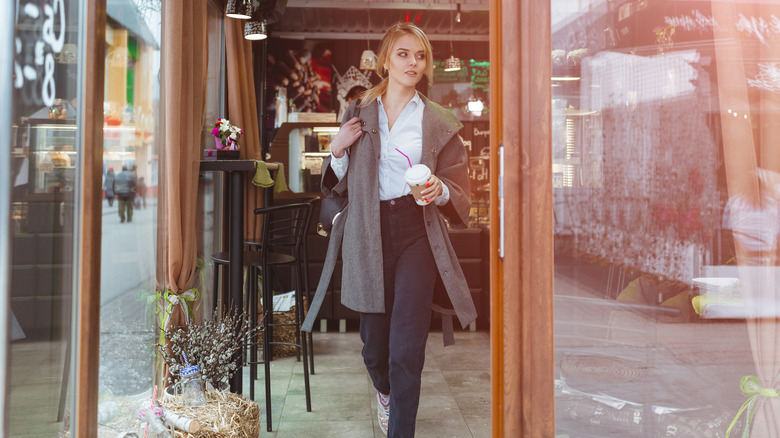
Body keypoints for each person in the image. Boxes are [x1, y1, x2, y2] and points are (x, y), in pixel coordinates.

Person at [311, 22, 476, 437]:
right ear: (386, 60)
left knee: (407, 346)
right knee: (374, 348)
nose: (412, 63)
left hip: (417, 229)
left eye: (420, 56)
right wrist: (337, 149)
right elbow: (338, 182)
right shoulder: (360, 113)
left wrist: (439, 190)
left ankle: (400, 429)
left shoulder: (438, 119)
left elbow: (458, 185)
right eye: (403, 54)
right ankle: (384, 391)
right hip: (369, 229)